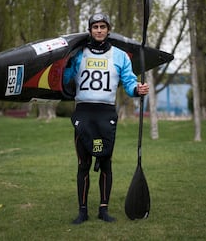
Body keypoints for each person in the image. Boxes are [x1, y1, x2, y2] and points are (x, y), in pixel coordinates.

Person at [63, 13, 149, 224]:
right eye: (95, 27)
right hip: (83, 114)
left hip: (105, 114)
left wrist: (138, 89)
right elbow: (64, 81)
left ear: (108, 30)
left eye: (103, 26)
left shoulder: (120, 56)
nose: (99, 30)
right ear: (90, 30)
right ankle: (82, 211)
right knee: (83, 164)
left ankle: (103, 209)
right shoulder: (78, 54)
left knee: (105, 163)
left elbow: (129, 83)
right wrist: (62, 66)